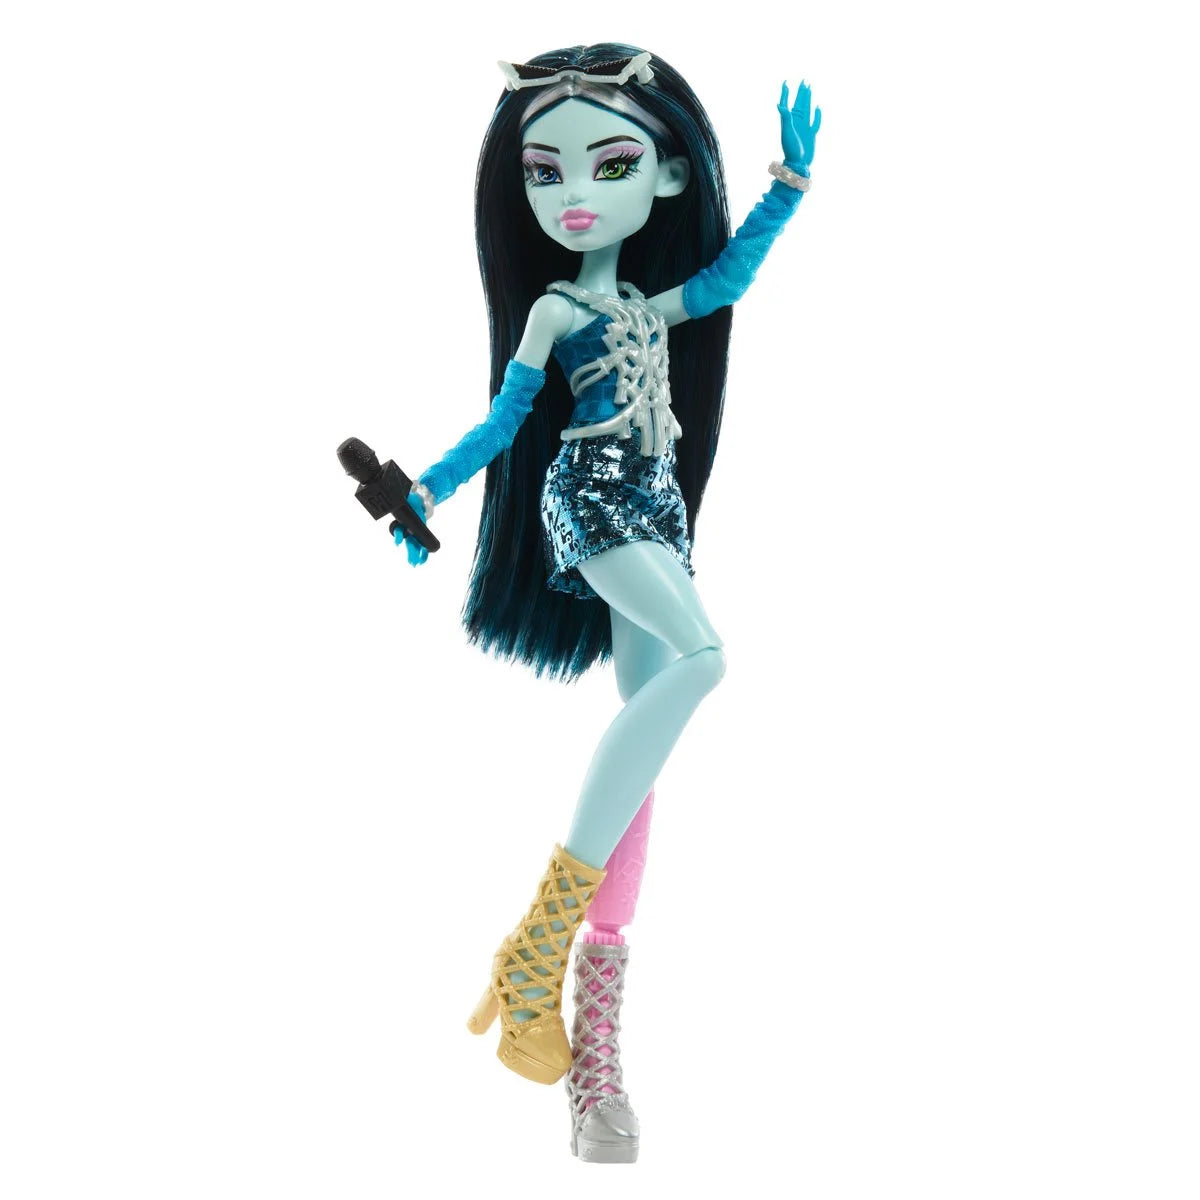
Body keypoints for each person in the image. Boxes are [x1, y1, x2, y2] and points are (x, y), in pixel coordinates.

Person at [394, 44, 819, 1162]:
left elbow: (719, 287)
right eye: (545, 172)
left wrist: (786, 190)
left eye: (610, 165)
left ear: (669, 177)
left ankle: (594, 1047)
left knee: (643, 742)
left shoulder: (640, 301)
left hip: (658, 506)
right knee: (705, 660)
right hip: (590, 496)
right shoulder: (550, 311)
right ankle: (536, 943)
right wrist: (427, 489)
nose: (574, 194)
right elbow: (504, 424)